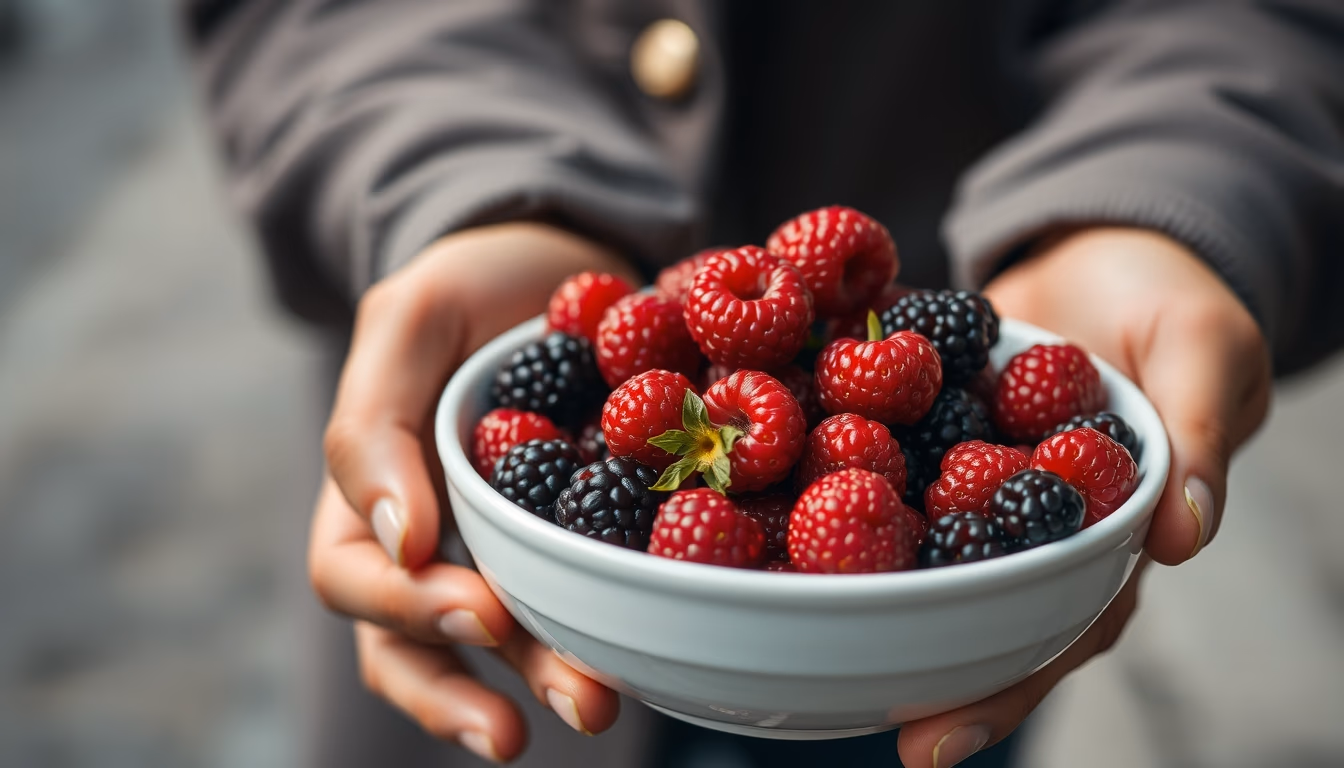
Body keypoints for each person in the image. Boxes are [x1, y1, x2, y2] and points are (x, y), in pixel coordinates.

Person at [184, 1, 1344, 766]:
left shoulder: (909, 429)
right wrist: (468, 194)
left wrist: (1173, 188)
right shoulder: (639, 414)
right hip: (515, 596)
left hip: (928, 641)